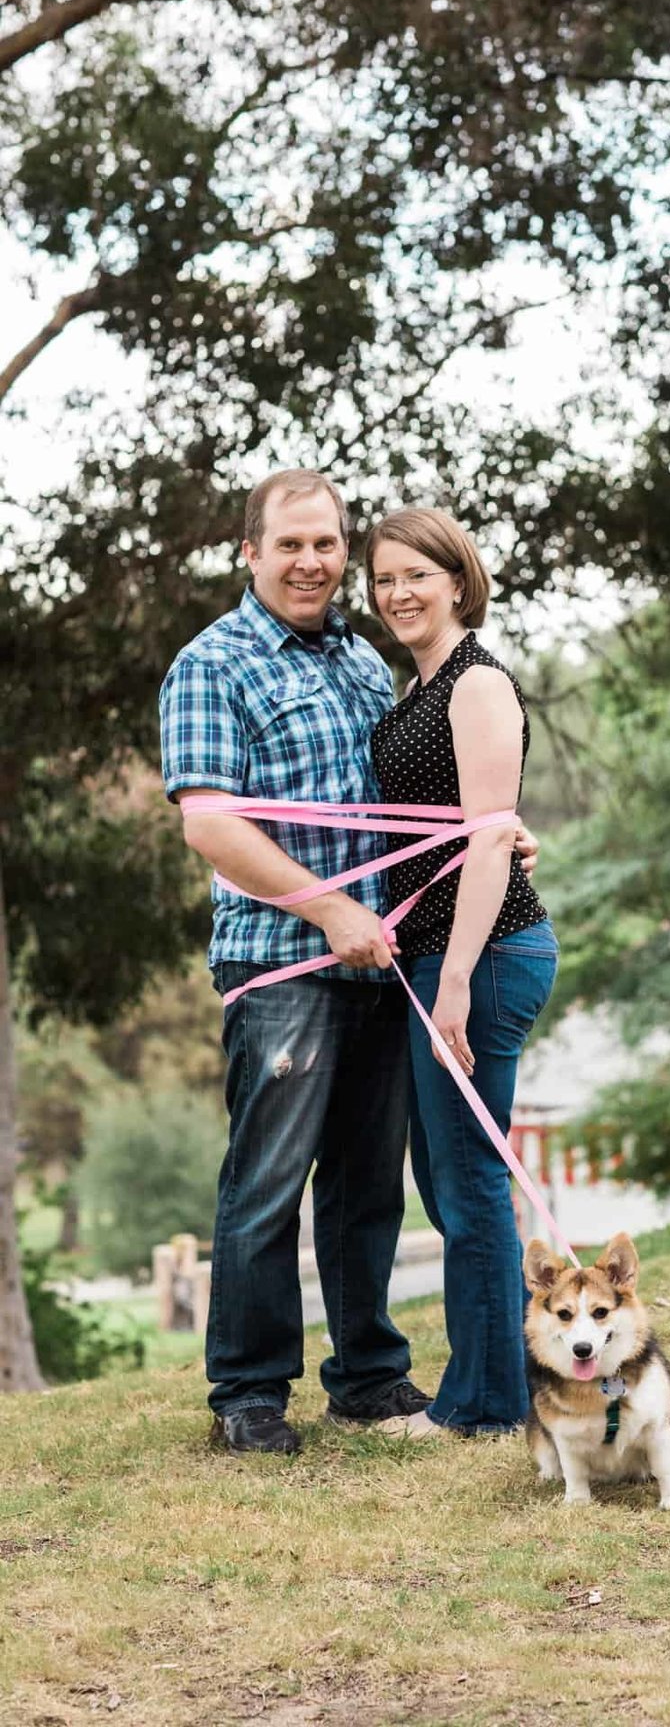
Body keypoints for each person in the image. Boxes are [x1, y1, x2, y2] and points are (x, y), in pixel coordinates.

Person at [159, 469, 537, 1455]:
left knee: (368, 1185)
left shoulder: (365, 665)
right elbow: (209, 823)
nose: (313, 562)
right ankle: (248, 1394)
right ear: (251, 552)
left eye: (327, 544)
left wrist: (497, 835)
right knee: (267, 1183)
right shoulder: (214, 664)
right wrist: (327, 910)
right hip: (282, 964)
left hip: (382, 962)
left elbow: (424, 798)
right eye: (291, 545)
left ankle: (367, 1375)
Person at [367, 507, 558, 1438]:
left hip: (475, 958)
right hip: (444, 954)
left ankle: (483, 1406)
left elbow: (487, 841)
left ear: (456, 578)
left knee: (472, 1180)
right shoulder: (421, 685)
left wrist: (453, 986)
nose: (398, 594)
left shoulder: (477, 683)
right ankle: (500, 1388)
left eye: (416, 575)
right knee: (450, 1182)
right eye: (384, 580)